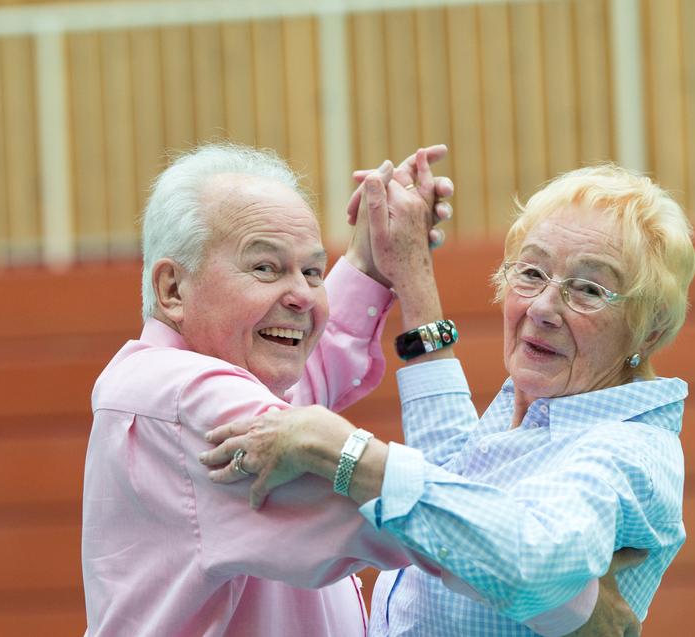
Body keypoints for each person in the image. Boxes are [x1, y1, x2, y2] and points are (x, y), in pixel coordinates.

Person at [81, 142, 630, 636]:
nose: (302, 296)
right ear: (173, 288)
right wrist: (571, 602)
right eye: (267, 268)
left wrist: (371, 261)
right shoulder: (190, 402)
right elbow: (437, 528)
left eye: (314, 272)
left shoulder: (200, 382)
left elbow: (304, 388)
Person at [202, 162, 695, 636]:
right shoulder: (543, 403)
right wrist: (410, 269)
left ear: (649, 329)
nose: (543, 308)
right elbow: (452, 474)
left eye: (588, 289)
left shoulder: (630, 451)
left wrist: (341, 450)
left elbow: (532, 559)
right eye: (531, 273)